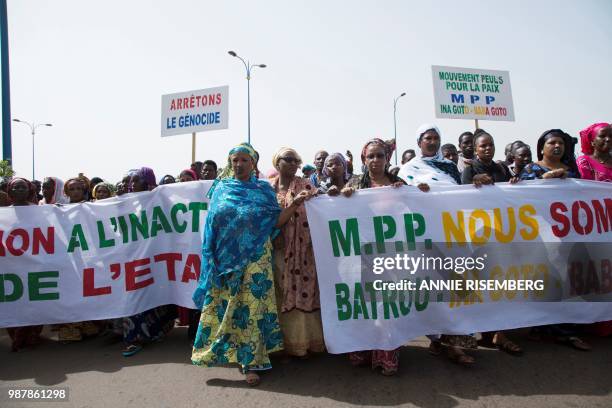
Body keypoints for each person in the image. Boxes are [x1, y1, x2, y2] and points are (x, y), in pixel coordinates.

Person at [191, 142, 312, 386]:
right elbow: (211, 225)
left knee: (252, 309)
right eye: (235, 160)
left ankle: (251, 361)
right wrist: (212, 256)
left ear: (253, 163)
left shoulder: (263, 190)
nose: (239, 164)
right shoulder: (221, 189)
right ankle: (224, 352)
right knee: (228, 309)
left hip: (256, 257)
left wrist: (296, 203)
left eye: (244, 160)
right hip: (225, 260)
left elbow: (276, 221)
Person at [398, 125, 478, 365]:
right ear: (419, 142)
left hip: (451, 232)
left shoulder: (450, 167)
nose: (432, 142)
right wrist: (417, 192)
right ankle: (435, 337)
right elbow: (402, 200)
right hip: (425, 235)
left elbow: (460, 196)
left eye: (435, 138)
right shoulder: (408, 169)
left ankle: (455, 343)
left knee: (455, 285)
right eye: (427, 138)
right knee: (432, 286)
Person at [339, 139, 404, 375]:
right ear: (364, 160)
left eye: (380, 156)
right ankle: (362, 350)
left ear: (387, 158)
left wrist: (420, 192)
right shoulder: (355, 183)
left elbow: (416, 207)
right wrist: (342, 196)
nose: (375, 160)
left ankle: (386, 354)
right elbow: (339, 209)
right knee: (363, 304)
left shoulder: (398, 183)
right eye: (371, 156)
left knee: (387, 305)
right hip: (360, 253)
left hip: (390, 253)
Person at [269, 147, 324, 359]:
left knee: (305, 294)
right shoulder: (267, 190)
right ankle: (282, 343)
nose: (293, 163)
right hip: (278, 250)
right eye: (288, 159)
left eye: (296, 160)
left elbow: (324, 206)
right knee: (281, 294)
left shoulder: (307, 187)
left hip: (305, 254)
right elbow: (271, 221)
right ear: (277, 163)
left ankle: (306, 343)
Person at [122, 166, 176, 356]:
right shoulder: (125, 202)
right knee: (135, 296)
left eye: (136, 180)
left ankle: (154, 331)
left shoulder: (158, 198)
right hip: (134, 257)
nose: (132, 184)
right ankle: (134, 338)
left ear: (146, 181)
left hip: (156, 254)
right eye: (131, 181)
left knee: (155, 294)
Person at [5, 177, 44, 351]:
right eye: (16, 187)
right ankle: (17, 337)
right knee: (14, 300)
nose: (20, 190)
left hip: (34, 264)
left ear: (29, 190)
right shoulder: (3, 213)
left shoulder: (40, 211)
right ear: (10, 191)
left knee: (34, 300)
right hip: (12, 265)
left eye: (23, 187)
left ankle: (33, 335)